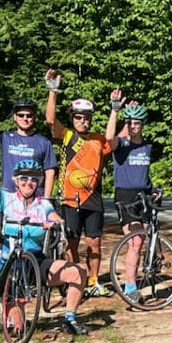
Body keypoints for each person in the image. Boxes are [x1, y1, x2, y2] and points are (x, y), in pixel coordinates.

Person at [0, 149, 89, 336]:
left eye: (34, 179)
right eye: (24, 178)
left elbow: (55, 217)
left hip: (35, 260)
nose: (29, 183)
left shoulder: (42, 204)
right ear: (16, 181)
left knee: (78, 272)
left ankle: (70, 319)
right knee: (18, 330)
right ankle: (8, 304)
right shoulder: (6, 199)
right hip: (9, 263)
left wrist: (55, 223)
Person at [45, 69, 113, 297]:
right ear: (72, 118)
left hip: (93, 199)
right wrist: (53, 91)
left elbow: (112, 139)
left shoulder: (98, 139)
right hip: (69, 199)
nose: (82, 121)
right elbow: (50, 120)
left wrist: (114, 111)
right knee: (71, 244)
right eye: (78, 117)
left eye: (86, 118)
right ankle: (74, 281)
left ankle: (93, 281)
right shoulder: (66, 136)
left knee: (94, 244)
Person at [104, 92, 161, 300]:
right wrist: (116, 110)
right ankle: (130, 286)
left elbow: (143, 173)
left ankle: (134, 279)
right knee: (134, 241)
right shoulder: (122, 146)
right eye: (131, 123)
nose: (134, 126)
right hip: (126, 194)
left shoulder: (146, 146)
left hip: (144, 193)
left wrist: (153, 189)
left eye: (137, 122)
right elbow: (109, 138)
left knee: (140, 241)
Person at [0, 94, 57, 198]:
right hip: (9, 198)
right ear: (15, 117)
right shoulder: (6, 137)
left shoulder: (43, 142)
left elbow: (50, 172)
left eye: (29, 115)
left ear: (34, 118)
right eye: (21, 115)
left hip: (34, 200)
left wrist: (46, 200)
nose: (25, 118)